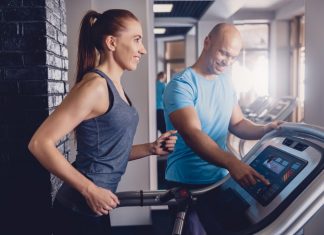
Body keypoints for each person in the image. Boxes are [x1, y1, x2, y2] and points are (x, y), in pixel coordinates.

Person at [28, 9, 177, 235]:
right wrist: (89, 190)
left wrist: (150, 148)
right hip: (77, 209)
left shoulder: (113, 86)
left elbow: (106, 153)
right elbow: (39, 143)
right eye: (137, 40)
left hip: (95, 206)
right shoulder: (95, 86)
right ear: (111, 42)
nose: (143, 49)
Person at [163, 23, 282, 235]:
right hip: (187, 181)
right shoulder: (182, 84)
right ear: (207, 42)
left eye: (233, 57)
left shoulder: (226, 81)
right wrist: (232, 162)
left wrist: (265, 129)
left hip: (219, 178)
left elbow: (237, 123)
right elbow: (193, 134)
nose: (227, 61)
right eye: (223, 52)